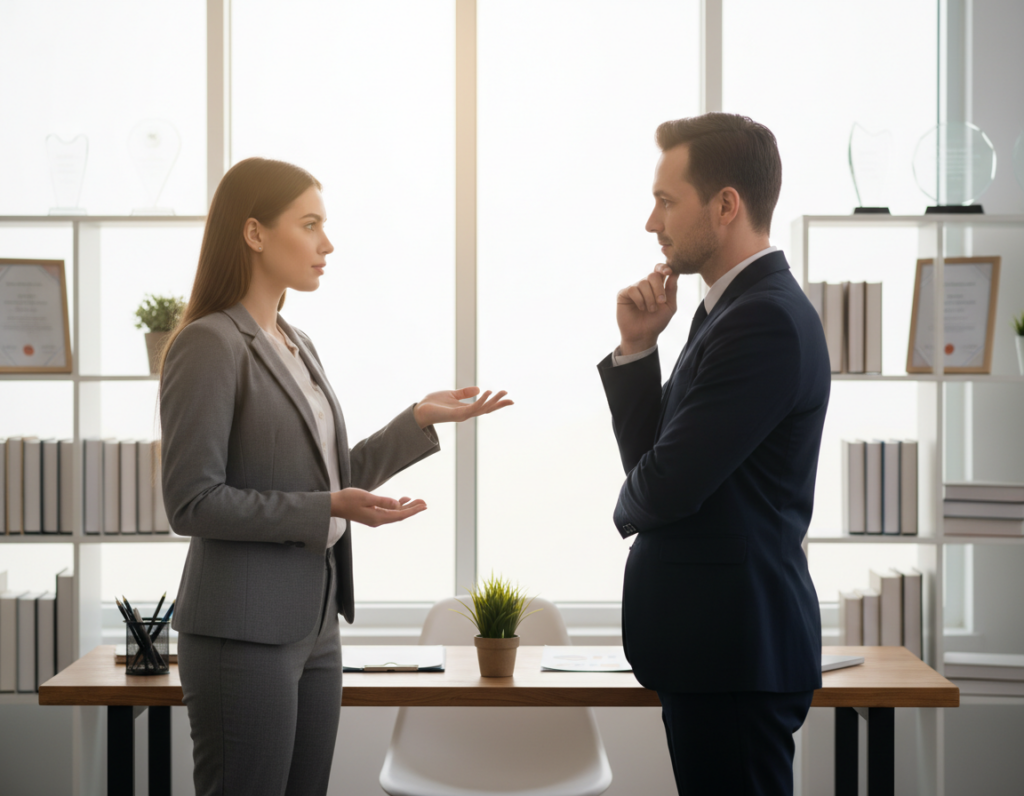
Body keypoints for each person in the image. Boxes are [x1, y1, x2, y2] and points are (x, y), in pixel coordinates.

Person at [160, 157, 512, 796]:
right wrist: (326, 506)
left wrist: (417, 420)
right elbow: (192, 502)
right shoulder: (209, 344)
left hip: (315, 623)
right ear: (255, 233)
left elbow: (330, 478)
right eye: (310, 224)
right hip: (241, 629)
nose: (328, 244)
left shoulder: (296, 343)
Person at [597, 113, 830, 795]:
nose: (651, 222)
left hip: (735, 650)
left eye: (666, 201)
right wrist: (640, 347)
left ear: (725, 204)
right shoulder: (725, 313)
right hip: (716, 650)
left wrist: (630, 502)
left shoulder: (762, 320)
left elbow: (665, 484)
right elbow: (656, 457)